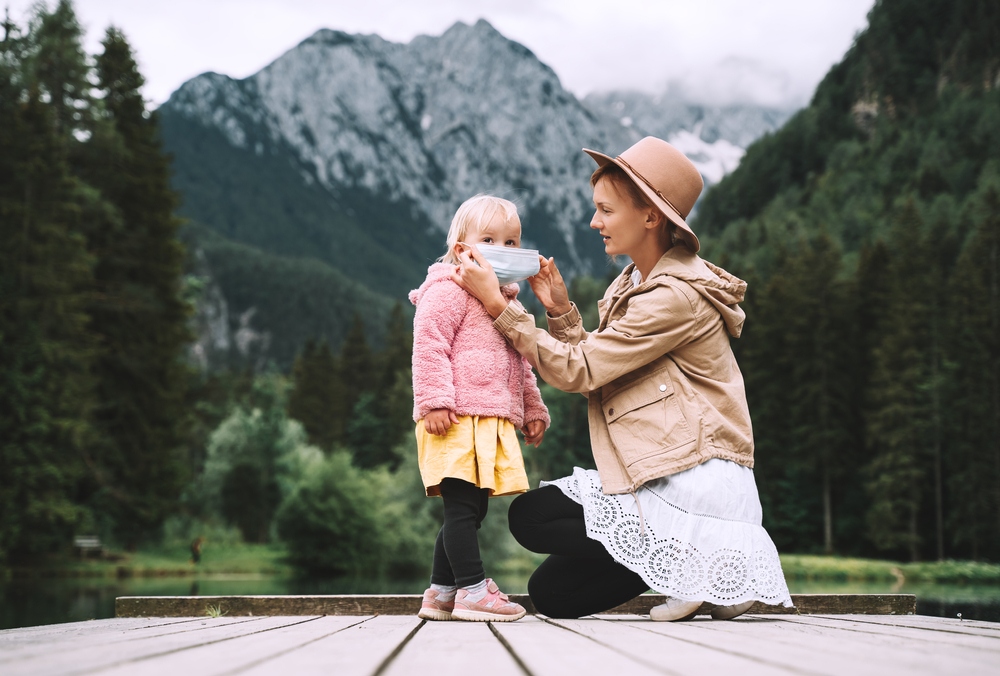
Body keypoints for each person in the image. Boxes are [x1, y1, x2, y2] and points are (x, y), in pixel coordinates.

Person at [451, 137, 794, 621]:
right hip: (667, 468)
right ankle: (700, 572)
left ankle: (689, 561)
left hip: (692, 476)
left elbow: (582, 370)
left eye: (606, 210)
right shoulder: (636, 283)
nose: (595, 222)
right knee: (552, 595)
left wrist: (499, 306)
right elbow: (600, 368)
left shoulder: (675, 297)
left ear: (651, 216)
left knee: (532, 515)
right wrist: (560, 312)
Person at [410, 194, 551, 622]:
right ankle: (472, 590)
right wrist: (434, 400)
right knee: (461, 509)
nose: (504, 250)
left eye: (512, 242)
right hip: (453, 417)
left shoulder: (510, 305)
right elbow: (428, 345)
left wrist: (533, 408)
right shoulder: (447, 291)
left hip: (488, 420)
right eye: (490, 239)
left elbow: (521, 362)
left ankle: (440, 592)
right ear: (463, 250)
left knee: (473, 509)